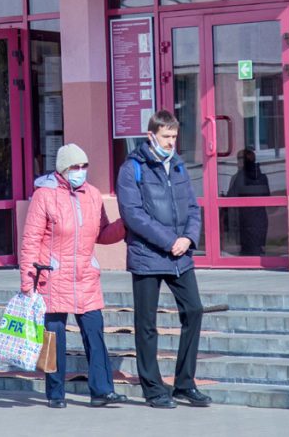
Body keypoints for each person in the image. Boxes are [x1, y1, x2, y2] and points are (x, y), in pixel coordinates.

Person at [115, 110, 211, 409]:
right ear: (151, 135)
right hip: (148, 255)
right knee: (146, 323)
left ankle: (184, 383)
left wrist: (188, 239)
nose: (171, 142)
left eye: (174, 136)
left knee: (194, 310)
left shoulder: (178, 165)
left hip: (180, 256)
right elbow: (133, 215)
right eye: (166, 136)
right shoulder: (132, 168)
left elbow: (193, 208)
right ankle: (153, 388)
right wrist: (170, 241)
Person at [19, 144, 127, 409]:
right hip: (53, 276)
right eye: (75, 167)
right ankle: (55, 393)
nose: (81, 171)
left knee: (94, 332)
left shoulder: (93, 195)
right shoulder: (44, 196)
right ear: (62, 169)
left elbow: (102, 233)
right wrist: (28, 281)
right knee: (54, 337)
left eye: (84, 166)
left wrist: (125, 224)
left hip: (85, 275)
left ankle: (102, 391)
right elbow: (31, 240)